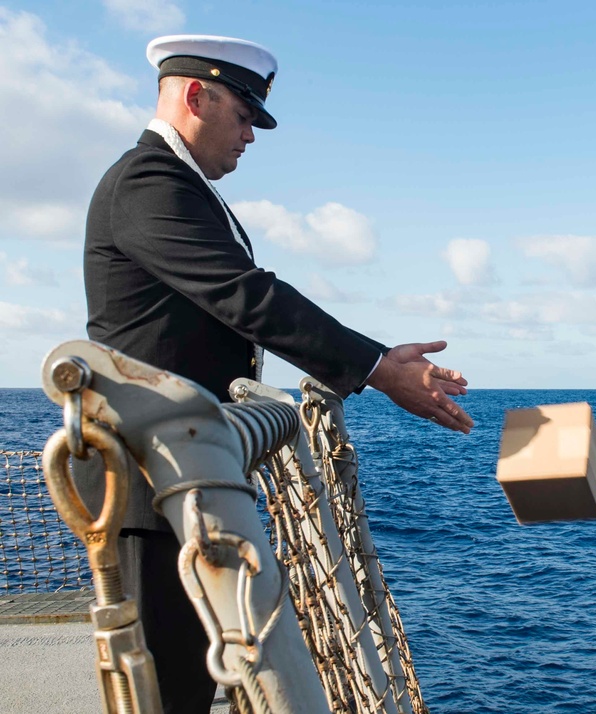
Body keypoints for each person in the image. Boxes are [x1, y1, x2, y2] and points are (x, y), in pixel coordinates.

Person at [81, 34, 474, 712]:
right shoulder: (147, 181)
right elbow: (247, 296)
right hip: (145, 481)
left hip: (187, 470)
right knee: (166, 682)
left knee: (194, 676)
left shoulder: (184, 189)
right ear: (196, 96)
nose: (251, 137)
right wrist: (378, 368)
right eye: (244, 115)